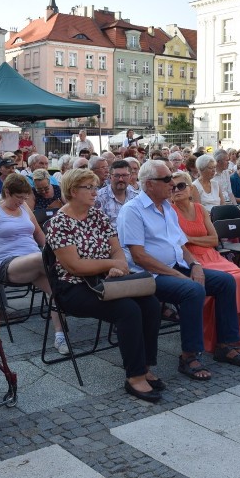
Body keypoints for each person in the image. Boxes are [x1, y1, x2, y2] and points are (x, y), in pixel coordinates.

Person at [117, 160, 240, 382]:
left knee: (226, 281)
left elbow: (180, 244)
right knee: (192, 290)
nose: (172, 183)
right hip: (149, 275)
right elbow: (139, 257)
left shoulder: (167, 207)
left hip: (175, 266)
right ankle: (189, 355)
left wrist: (195, 265)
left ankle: (225, 344)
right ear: (149, 184)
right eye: (167, 179)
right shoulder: (132, 211)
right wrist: (179, 275)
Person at [46, 167, 163, 402]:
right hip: (73, 288)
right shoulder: (59, 223)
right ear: (72, 191)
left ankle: (145, 364)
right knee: (127, 310)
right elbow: (75, 267)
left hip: (105, 282)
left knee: (150, 304)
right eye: (88, 187)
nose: (95, 192)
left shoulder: (96, 215)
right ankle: (135, 376)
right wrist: (109, 264)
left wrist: (118, 264)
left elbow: (117, 248)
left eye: (95, 186)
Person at [171, 171, 240, 356]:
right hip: (192, 260)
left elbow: (214, 240)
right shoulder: (170, 212)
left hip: (212, 256)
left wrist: (190, 237)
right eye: (173, 187)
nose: (176, 190)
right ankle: (229, 339)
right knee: (231, 280)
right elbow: (179, 244)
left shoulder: (200, 209)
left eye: (181, 185)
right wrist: (196, 240)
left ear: (190, 188)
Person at [0, 173, 67, 353]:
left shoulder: (25, 209)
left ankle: (60, 336)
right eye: (18, 197)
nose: (22, 201)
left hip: (35, 262)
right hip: (9, 263)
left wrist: (49, 248)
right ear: (7, 192)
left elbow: (38, 234)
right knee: (47, 261)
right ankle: (74, 274)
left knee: (56, 290)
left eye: (24, 197)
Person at [95, 160, 138, 228]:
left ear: (130, 177)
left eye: (124, 175)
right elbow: (98, 226)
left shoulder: (136, 196)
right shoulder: (100, 197)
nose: (121, 179)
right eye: (116, 176)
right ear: (110, 177)